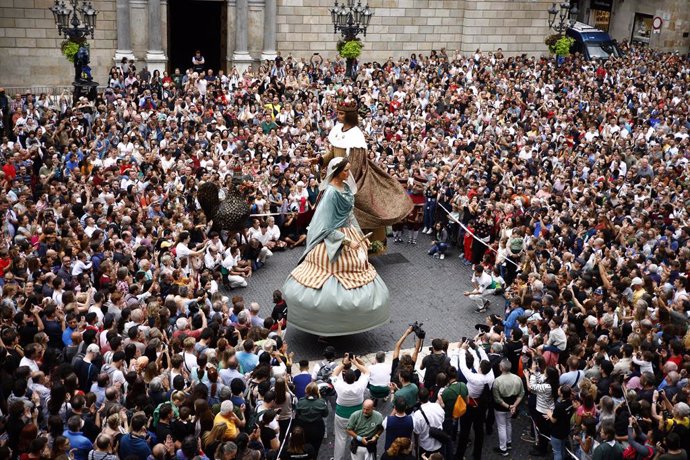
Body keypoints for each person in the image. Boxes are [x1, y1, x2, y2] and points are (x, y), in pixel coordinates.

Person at [282, 157, 390, 336]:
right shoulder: (331, 193)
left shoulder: (346, 187)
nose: (349, 174)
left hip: (349, 232)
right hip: (333, 237)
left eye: (349, 170)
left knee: (358, 264)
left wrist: (361, 236)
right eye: (345, 170)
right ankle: (326, 324)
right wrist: (347, 241)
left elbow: (350, 216)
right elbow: (326, 227)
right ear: (337, 171)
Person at [321, 99, 412, 233]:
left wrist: (340, 180)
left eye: (341, 114)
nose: (338, 116)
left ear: (349, 116)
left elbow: (355, 165)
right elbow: (333, 153)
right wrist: (319, 160)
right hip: (335, 175)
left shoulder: (356, 136)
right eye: (338, 113)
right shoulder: (337, 130)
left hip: (349, 177)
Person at [491, 358, 524, 456]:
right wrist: (514, 405)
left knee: (501, 426)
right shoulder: (517, 378)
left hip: (501, 407)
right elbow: (521, 394)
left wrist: (508, 406)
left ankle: (503, 449)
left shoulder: (497, 381)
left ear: (501, 368)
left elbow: (497, 399)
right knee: (508, 423)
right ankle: (509, 443)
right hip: (513, 404)